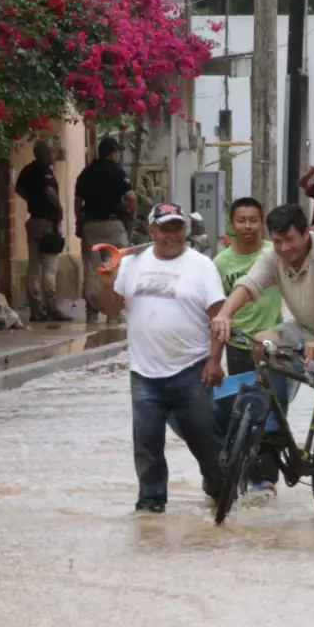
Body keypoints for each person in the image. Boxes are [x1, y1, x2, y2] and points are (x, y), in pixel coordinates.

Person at [211, 204, 314, 514]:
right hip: (303, 328)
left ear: (306, 233)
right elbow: (249, 284)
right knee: (262, 343)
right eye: (279, 241)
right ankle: (275, 418)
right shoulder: (273, 256)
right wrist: (224, 315)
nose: (285, 248)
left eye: (291, 240)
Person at [95, 203, 226, 513]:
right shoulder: (130, 263)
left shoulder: (201, 265)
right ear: (151, 231)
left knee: (205, 441)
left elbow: (218, 319)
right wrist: (106, 282)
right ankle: (150, 506)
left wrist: (214, 361)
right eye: (164, 229)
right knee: (147, 446)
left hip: (192, 369)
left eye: (177, 228)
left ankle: (219, 488)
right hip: (144, 373)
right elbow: (109, 308)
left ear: (185, 231)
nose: (171, 235)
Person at [210, 197, 283, 495]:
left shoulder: (275, 253)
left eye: (254, 220)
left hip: (273, 342)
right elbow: (215, 312)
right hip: (238, 344)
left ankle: (266, 476)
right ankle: (237, 468)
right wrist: (212, 359)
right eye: (242, 220)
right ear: (232, 224)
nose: (248, 226)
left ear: (262, 222)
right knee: (241, 412)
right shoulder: (221, 263)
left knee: (272, 409)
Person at [75, 136, 137, 324]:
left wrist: (79, 222)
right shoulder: (117, 172)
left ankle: (92, 311)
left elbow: (78, 201)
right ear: (112, 154)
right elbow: (131, 197)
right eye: (117, 152)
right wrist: (132, 215)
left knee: (92, 270)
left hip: (90, 226)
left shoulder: (86, 172)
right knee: (116, 268)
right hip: (113, 227)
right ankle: (113, 312)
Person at [16, 140, 73, 323]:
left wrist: (33, 200)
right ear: (44, 153)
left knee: (34, 267)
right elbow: (49, 191)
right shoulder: (45, 171)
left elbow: (19, 189)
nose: (54, 155)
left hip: (33, 220)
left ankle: (36, 309)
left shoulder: (27, 170)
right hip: (46, 222)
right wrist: (59, 209)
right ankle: (53, 308)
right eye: (52, 152)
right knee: (49, 267)